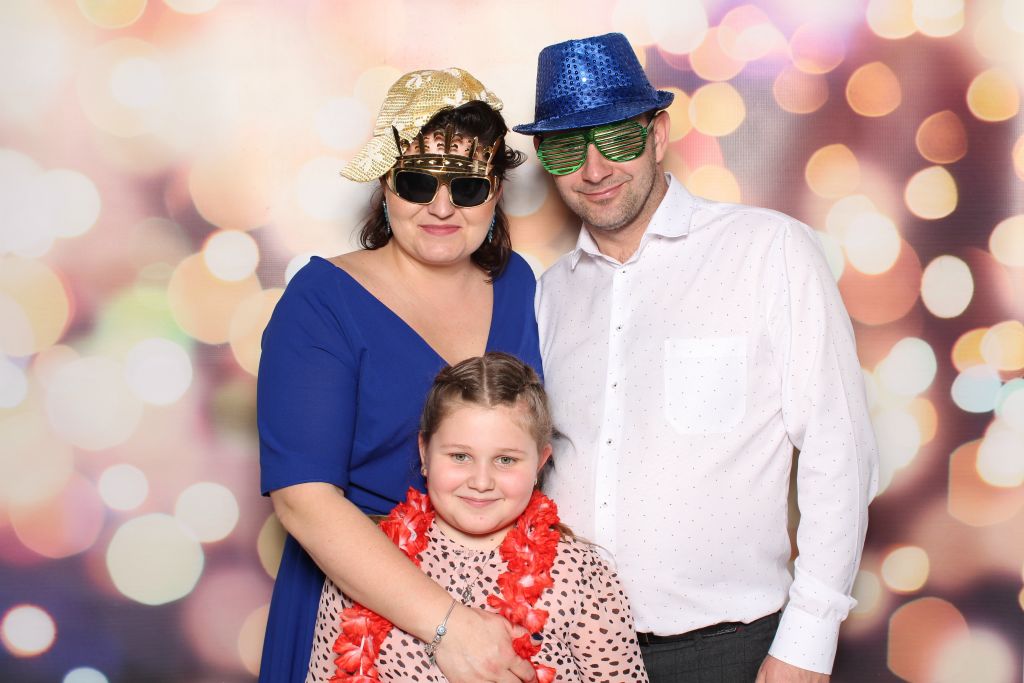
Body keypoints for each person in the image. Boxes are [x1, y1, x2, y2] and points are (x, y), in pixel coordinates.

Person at [515, 33, 879, 683]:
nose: (594, 169)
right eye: (568, 147)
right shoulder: (550, 295)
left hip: (727, 650)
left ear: (657, 135)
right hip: (567, 649)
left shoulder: (768, 251)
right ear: (545, 160)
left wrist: (808, 640)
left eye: (616, 139)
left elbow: (839, 448)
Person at [258, 68, 544, 683]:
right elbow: (302, 500)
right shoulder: (321, 300)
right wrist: (450, 625)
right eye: (418, 182)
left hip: (501, 600)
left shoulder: (518, 283)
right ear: (386, 184)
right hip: (359, 608)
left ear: (495, 193)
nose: (441, 207)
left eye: (467, 187)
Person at [304, 352, 650, 682]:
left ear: (540, 463)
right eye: (460, 456)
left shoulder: (582, 575)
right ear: (424, 452)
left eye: (505, 460)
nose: (481, 482)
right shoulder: (365, 562)